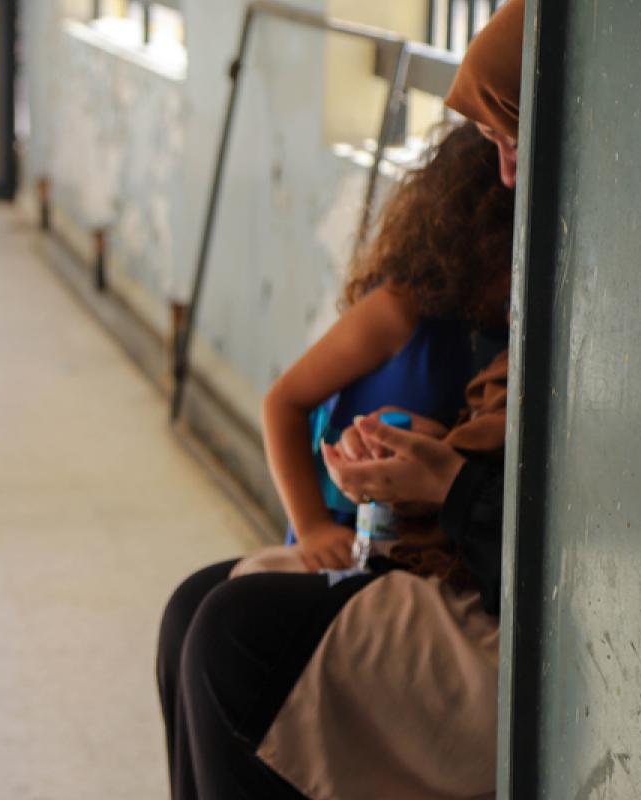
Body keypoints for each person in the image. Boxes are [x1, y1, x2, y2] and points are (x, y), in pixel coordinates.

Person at [155, 1, 525, 797]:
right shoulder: (416, 309)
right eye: (495, 146)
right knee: (196, 606)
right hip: (379, 529)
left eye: (514, 143)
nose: (509, 173)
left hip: (443, 556)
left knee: (231, 633)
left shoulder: (524, 314)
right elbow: (285, 402)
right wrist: (321, 519)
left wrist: (446, 480)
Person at [262, 122, 512, 572]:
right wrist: (314, 528)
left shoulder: (502, 332)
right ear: (475, 238)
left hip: (415, 541)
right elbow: (283, 403)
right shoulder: (399, 310)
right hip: (343, 529)